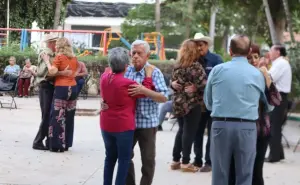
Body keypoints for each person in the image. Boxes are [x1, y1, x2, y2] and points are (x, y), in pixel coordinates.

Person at [204, 35, 273, 185]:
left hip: (220, 125)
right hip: (247, 127)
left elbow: (208, 102)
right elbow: (269, 105)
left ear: (230, 51)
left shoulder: (217, 70)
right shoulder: (257, 74)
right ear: (249, 51)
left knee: (219, 175)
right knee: (244, 176)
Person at [100, 47, 163, 185]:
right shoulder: (127, 84)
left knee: (109, 158)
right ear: (126, 65)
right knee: (124, 159)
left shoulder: (104, 77)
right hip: (123, 126)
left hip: (106, 125)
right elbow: (144, 91)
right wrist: (147, 76)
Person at [228, 44, 282, 185]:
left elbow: (276, 101)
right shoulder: (234, 75)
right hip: (238, 129)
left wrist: (268, 81)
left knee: (256, 172)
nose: (253, 60)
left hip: (260, 130)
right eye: (249, 57)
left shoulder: (264, 75)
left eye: (256, 57)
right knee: (233, 170)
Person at [170, 39, 206, 172]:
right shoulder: (195, 66)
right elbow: (204, 83)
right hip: (191, 103)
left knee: (181, 130)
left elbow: (172, 81)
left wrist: (172, 84)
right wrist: (196, 87)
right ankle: (185, 162)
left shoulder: (177, 65)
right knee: (189, 132)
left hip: (178, 102)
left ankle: (175, 160)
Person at [42, 37, 79, 153]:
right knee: (69, 116)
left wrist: (47, 61)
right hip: (73, 88)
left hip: (62, 88)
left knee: (57, 116)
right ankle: (67, 143)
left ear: (60, 46)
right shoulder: (74, 58)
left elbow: (52, 71)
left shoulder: (59, 57)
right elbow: (76, 71)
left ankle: (57, 145)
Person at [266, 44, 292, 163]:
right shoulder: (279, 63)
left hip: (279, 97)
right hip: (279, 97)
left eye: (271, 51)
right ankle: (278, 154)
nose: (269, 53)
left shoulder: (281, 63)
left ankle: (274, 156)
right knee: (275, 127)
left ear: (277, 52)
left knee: (273, 127)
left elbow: (270, 78)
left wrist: (263, 70)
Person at [32, 33, 58, 150]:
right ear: (51, 43)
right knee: (47, 115)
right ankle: (38, 141)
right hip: (46, 85)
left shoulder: (52, 54)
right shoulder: (46, 53)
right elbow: (42, 71)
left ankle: (47, 140)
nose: (57, 44)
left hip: (49, 86)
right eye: (56, 42)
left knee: (48, 115)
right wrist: (52, 68)